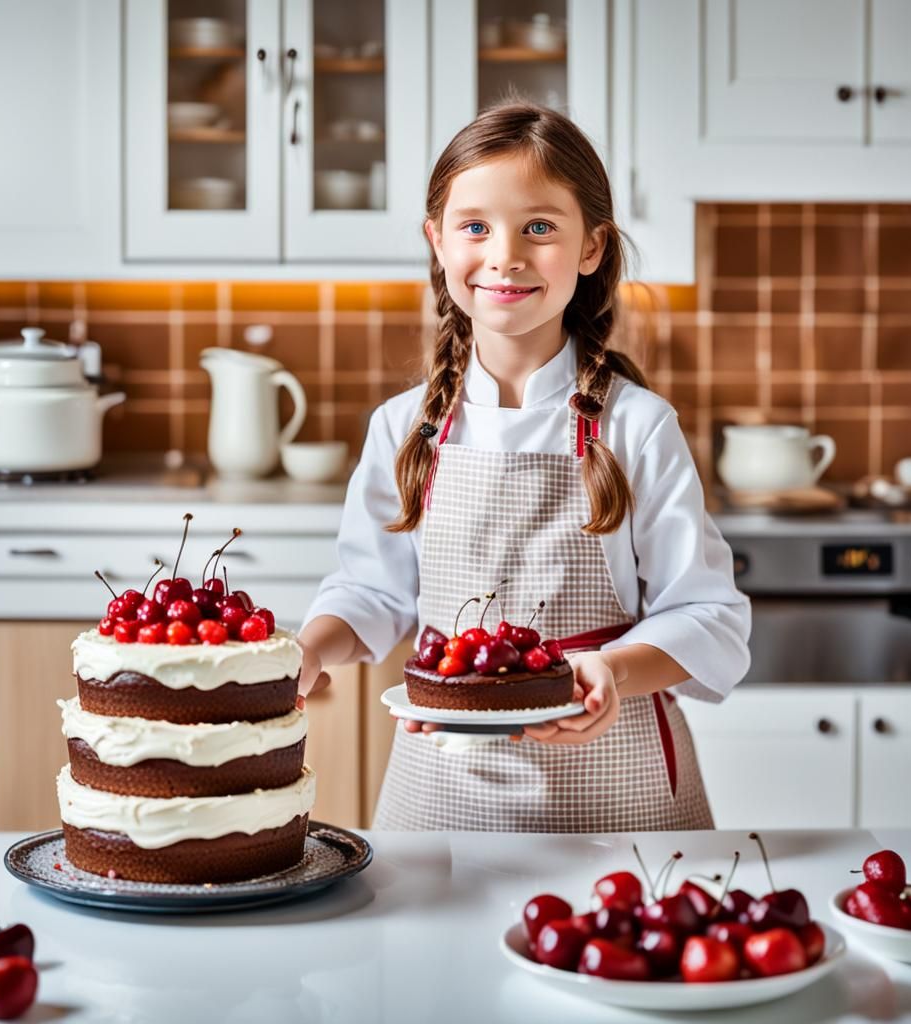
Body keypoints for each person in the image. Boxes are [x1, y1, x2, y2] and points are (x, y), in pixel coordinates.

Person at [297, 100, 751, 831]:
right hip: (442, 797)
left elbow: (709, 618)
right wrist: (309, 648)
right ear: (436, 241)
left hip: (614, 798)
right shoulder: (402, 429)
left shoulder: (636, 427)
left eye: (539, 228)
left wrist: (612, 671)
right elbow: (371, 594)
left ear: (592, 246)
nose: (505, 255)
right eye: (475, 226)